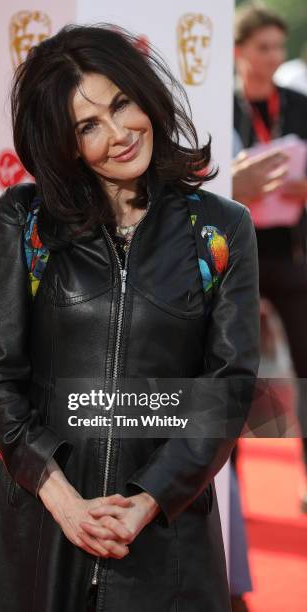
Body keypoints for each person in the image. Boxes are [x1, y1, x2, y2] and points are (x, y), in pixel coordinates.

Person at [0, 23, 260, 611]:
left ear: (145, 94)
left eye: (122, 104)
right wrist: (66, 502)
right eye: (88, 126)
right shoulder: (24, 223)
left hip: (166, 538)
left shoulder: (221, 229)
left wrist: (147, 501)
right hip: (43, 532)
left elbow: (227, 390)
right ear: (65, 143)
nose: (119, 134)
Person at [234, 3, 307, 513]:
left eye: (279, 47)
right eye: (263, 47)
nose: (274, 57)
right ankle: (226, 491)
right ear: (238, 52)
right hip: (237, 258)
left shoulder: (300, 104)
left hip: (293, 254)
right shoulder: (217, 103)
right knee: (232, 378)